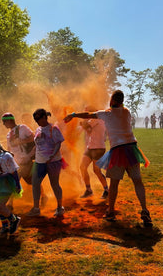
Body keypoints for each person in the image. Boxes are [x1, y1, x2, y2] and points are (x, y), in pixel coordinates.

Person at [64, 90, 152, 227]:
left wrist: (73, 115)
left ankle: (110, 212)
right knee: (138, 181)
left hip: (118, 150)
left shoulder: (106, 113)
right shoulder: (127, 112)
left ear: (112, 100)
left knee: (114, 184)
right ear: (122, 101)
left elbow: (88, 115)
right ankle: (145, 210)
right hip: (132, 149)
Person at [27, 108, 65, 217]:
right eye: (36, 119)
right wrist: (30, 155)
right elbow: (37, 145)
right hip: (39, 162)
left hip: (53, 162)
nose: (37, 121)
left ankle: (60, 207)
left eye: (39, 118)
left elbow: (58, 144)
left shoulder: (54, 129)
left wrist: (52, 155)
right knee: (35, 183)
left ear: (45, 117)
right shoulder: (38, 130)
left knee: (54, 184)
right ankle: (36, 208)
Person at [78, 106, 108, 199]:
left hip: (98, 148)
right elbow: (87, 128)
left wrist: (83, 124)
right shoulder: (93, 120)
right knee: (82, 167)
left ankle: (107, 190)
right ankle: (88, 190)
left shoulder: (97, 119)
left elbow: (86, 126)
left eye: (87, 113)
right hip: (90, 147)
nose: (86, 115)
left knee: (96, 171)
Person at [1, 112, 35, 185]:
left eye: (4, 122)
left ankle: (43, 195)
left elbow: (33, 137)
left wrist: (21, 141)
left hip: (25, 160)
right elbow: (9, 149)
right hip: (16, 163)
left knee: (31, 181)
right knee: (14, 183)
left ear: (9, 121)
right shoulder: (8, 135)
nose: (3, 124)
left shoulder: (22, 128)